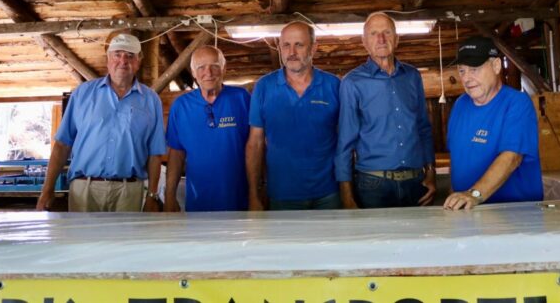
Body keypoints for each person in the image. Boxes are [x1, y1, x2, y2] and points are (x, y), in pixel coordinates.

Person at [36, 33, 167, 212]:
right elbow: (62, 144)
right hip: (84, 189)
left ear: (138, 61)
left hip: (129, 191)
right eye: (117, 54)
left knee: (128, 233)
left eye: (130, 56)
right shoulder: (82, 94)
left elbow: (155, 153)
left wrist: (152, 195)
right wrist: (47, 189)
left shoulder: (151, 100)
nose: (123, 61)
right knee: (82, 233)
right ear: (108, 59)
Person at [335, 12, 436, 209]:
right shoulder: (352, 82)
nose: (381, 39)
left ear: (396, 38)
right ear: (364, 41)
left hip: (415, 181)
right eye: (374, 33)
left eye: (387, 32)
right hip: (373, 185)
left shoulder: (412, 76)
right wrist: (346, 194)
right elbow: (345, 142)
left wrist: (431, 172)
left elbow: (423, 128)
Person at [246, 21, 341, 210]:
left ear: (313, 48)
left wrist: (347, 191)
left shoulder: (334, 86)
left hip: (329, 193)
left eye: (299, 45)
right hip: (281, 195)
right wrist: (254, 195)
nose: (292, 52)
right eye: (286, 45)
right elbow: (255, 144)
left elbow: (346, 141)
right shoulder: (264, 87)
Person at [443, 36, 543, 211]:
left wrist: (474, 194)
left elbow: (511, 157)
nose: (466, 78)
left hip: (514, 215)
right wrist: (454, 196)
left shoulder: (517, 103)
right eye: (462, 71)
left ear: (496, 66)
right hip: (468, 212)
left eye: (474, 69)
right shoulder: (460, 105)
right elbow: (456, 158)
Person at [164, 45, 250, 212]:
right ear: (193, 72)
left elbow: (256, 146)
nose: (208, 73)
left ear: (224, 68)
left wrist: (259, 190)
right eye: (201, 67)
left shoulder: (242, 98)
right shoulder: (181, 106)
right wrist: (169, 196)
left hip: (239, 200)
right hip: (198, 203)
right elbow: (176, 154)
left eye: (214, 66)